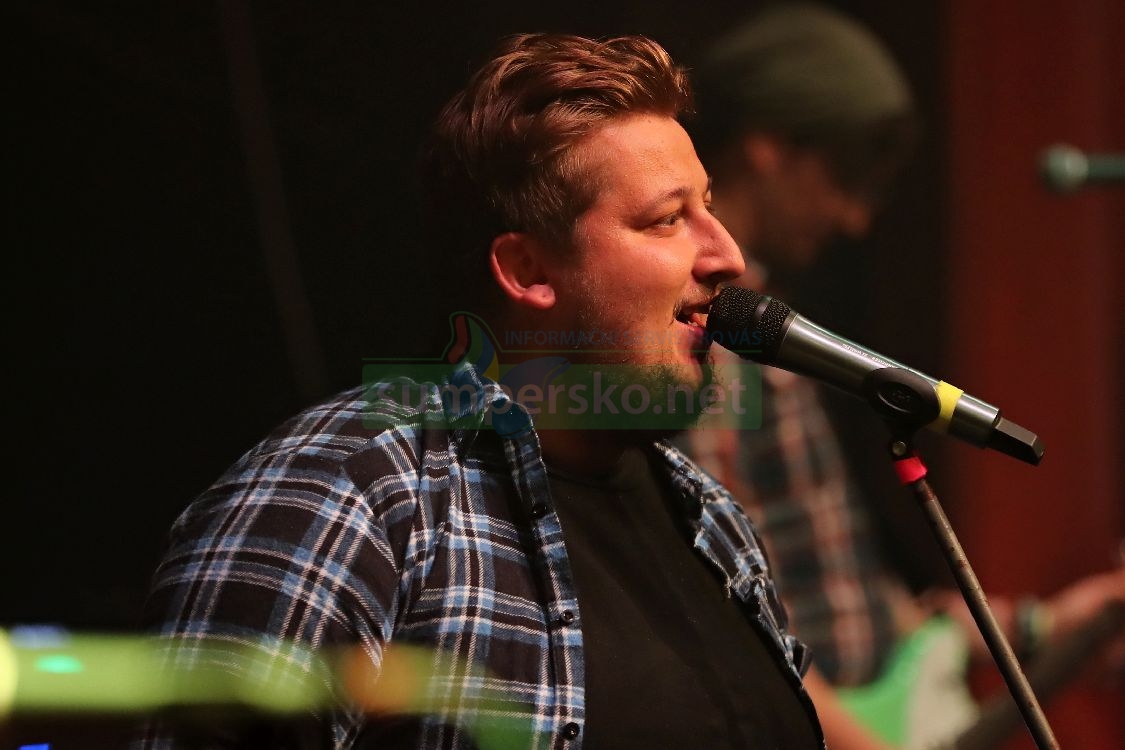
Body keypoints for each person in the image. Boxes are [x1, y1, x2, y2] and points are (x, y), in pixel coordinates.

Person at [134, 33, 826, 749]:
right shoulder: (342, 494)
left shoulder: (712, 520)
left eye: (708, 206)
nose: (727, 255)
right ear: (527, 270)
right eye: (667, 218)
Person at [684, 4, 1125, 748]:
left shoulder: (769, 331)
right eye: (844, 178)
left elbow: (856, 616)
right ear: (768, 149)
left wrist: (1043, 625)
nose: (854, 218)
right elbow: (723, 612)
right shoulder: (699, 339)